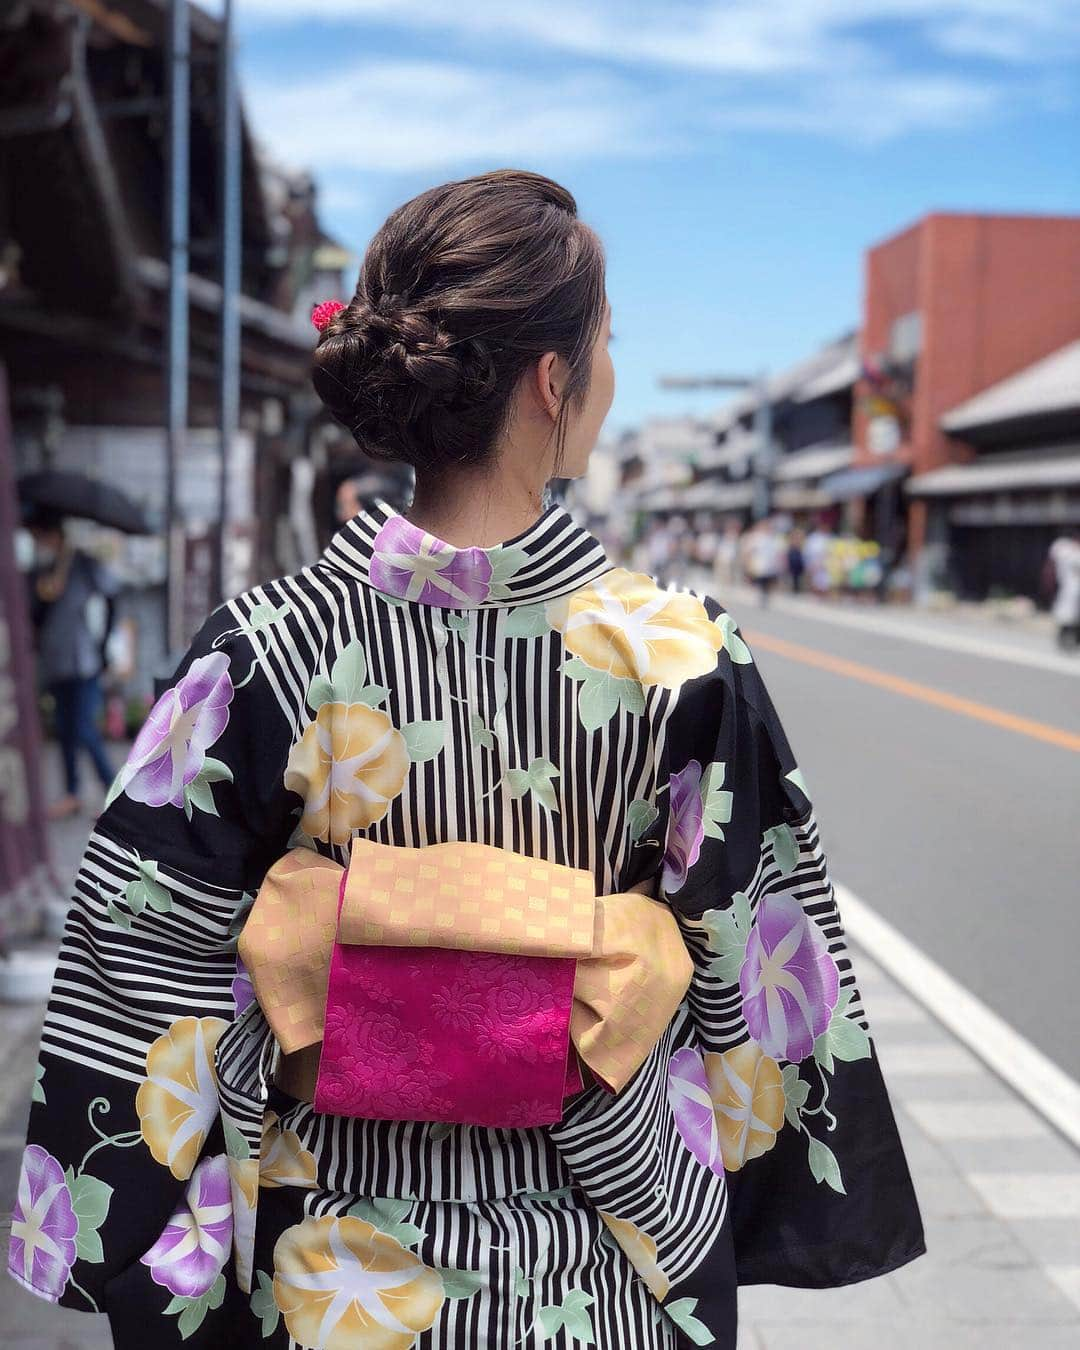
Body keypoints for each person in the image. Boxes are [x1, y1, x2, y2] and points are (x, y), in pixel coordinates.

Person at [8, 169, 924, 1349]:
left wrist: (154, 1236)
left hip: (328, 1271)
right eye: (604, 347)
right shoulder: (682, 658)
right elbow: (755, 965)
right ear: (554, 381)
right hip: (598, 1259)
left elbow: (141, 953)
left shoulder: (265, 648)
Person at [25, 509, 118, 819]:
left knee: (83, 728)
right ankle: (72, 793)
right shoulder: (43, 569)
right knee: (65, 729)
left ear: (55, 535)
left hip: (82, 659)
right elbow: (33, 614)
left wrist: (104, 645)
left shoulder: (82, 563)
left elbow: (111, 595)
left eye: (41, 536)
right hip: (54, 660)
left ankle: (114, 794)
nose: (39, 543)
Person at [1046, 528, 1080, 650]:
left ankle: (1072, 642)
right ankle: (1064, 641)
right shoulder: (1065, 549)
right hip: (1068, 589)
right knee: (1066, 616)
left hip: (1072, 590)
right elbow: (1051, 567)